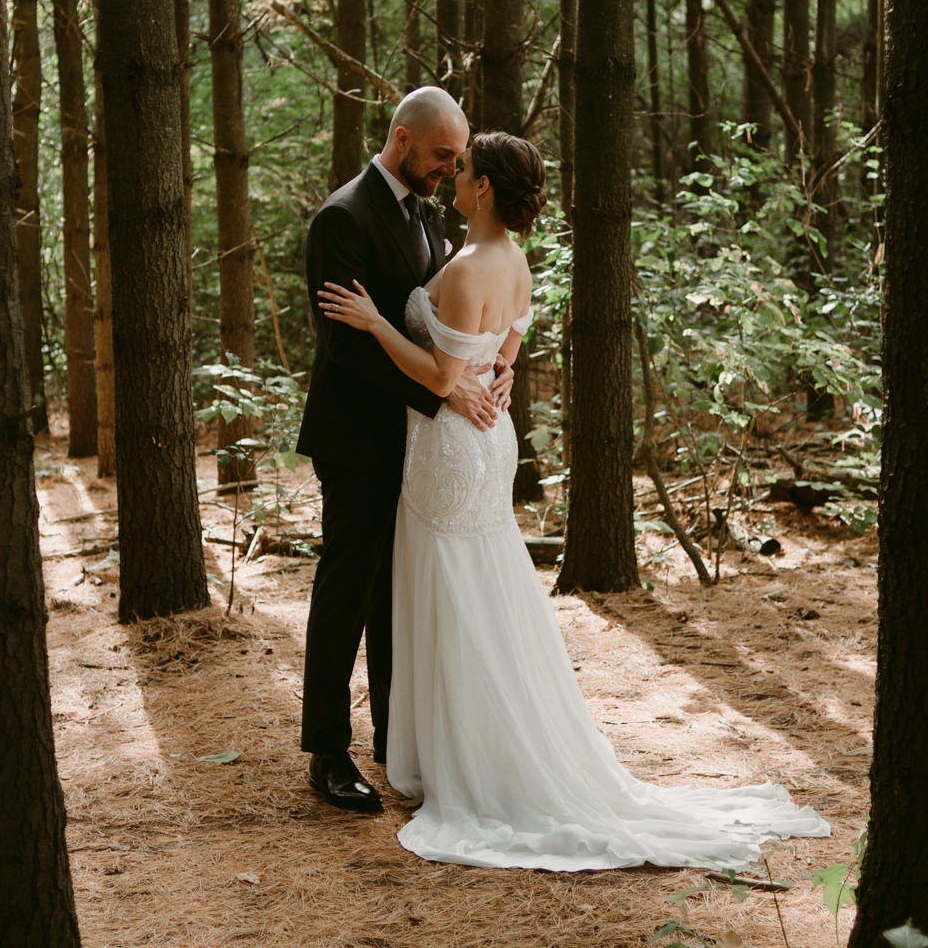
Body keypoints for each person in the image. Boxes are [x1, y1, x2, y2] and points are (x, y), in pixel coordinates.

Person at [318, 130, 829, 870]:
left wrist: (373, 322)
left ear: (485, 188)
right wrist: (501, 375)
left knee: (450, 591)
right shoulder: (515, 262)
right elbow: (506, 353)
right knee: (482, 590)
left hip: (453, 447)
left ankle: (464, 758)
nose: (454, 177)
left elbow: (436, 379)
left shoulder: (463, 269)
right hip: (487, 443)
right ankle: (473, 744)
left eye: (464, 169)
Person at [295, 87, 511, 812]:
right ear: (401, 138)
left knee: (397, 594)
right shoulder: (341, 216)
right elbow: (343, 345)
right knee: (348, 589)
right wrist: (444, 392)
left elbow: (449, 321)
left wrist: (489, 367)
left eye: (457, 159)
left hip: (420, 444)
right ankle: (327, 750)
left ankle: (397, 740)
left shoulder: (425, 212)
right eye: (443, 154)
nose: (452, 169)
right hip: (356, 436)